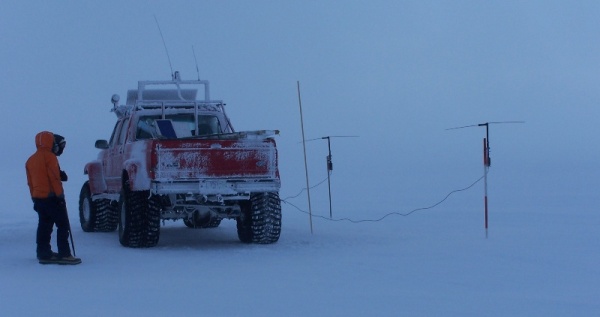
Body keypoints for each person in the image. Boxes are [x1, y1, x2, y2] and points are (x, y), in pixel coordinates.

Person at [25, 131, 81, 265]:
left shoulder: (30, 160)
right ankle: (65, 254)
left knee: (44, 225)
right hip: (52, 198)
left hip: (38, 198)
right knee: (63, 225)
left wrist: (34, 198)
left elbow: (30, 182)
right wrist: (60, 195)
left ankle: (43, 253)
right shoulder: (50, 157)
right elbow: (54, 179)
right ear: (50, 142)